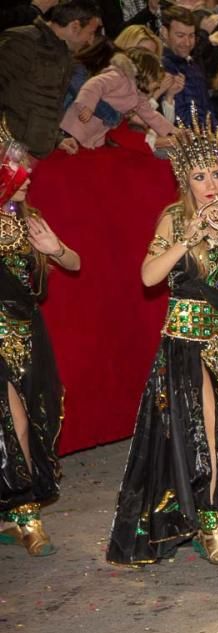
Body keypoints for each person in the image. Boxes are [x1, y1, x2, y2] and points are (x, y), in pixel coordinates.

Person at [107, 114, 218, 567]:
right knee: (205, 430)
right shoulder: (174, 218)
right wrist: (187, 239)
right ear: (186, 180)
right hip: (187, 341)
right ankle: (211, 521)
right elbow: (148, 276)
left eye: (217, 173)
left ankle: (213, 517)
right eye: (200, 176)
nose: (211, 184)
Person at [0, 127, 81, 557]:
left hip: (29, 333)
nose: (29, 175)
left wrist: (56, 248)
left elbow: (75, 262)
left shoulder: (28, 219)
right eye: (19, 168)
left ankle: (19, 510)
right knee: (14, 421)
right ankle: (27, 515)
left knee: (33, 418)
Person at [0, 0, 102, 157]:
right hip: (8, 150)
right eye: (90, 32)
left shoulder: (65, 54)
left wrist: (55, 139)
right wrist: (5, 145)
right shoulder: (21, 41)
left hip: (30, 151)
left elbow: (47, 105)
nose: (90, 40)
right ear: (75, 26)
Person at [60, 47, 176, 149]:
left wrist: (172, 130)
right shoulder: (119, 77)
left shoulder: (138, 95)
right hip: (76, 124)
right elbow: (94, 84)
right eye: (157, 80)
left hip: (94, 132)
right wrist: (88, 105)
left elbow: (151, 115)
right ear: (148, 74)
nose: (159, 85)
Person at [161, 5, 213, 127]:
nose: (187, 43)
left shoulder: (193, 64)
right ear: (164, 32)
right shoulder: (159, 68)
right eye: (180, 36)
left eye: (191, 36)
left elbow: (207, 108)